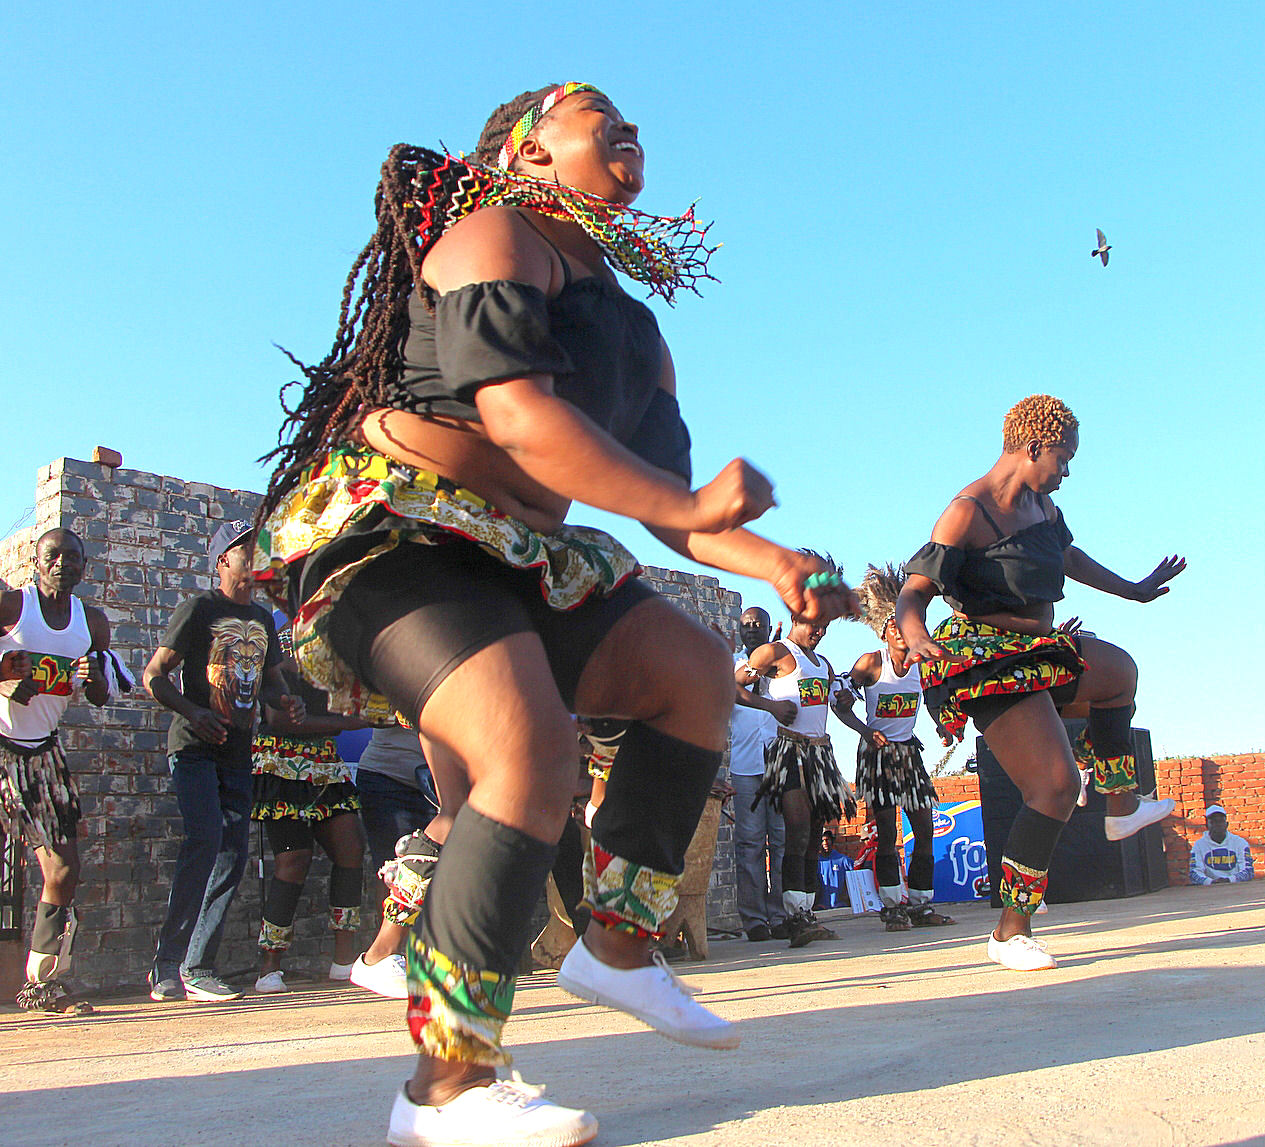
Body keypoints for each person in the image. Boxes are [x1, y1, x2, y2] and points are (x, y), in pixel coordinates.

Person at [253, 83, 856, 1147]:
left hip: (522, 556)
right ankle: (445, 1086)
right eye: (598, 118)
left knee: (693, 673)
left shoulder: (636, 328)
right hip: (398, 538)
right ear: (529, 154)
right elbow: (517, 417)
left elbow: (671, 499)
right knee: (526, 752)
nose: (628, 131)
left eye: (636, 123)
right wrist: (684, 503)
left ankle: (617, 945)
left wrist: (773, 561)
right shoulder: (494, 236)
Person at [897, 394, 1184, 971]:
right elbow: (915, 588)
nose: (1067, 472)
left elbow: (1069, 557)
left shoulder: (1042, 508)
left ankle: (1119, 805)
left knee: (1117, 673)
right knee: (1051, 788)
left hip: (1039, 650)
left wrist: (1132, 588)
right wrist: (915, 632)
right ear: (1034, 448)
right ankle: (1010, 930)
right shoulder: (969, 512)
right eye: (1064, 458)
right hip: (989, 660)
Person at [143, 520, 305, 1003]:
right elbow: (155, 675)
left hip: (239, 751)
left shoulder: (261, 619)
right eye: (242, 551)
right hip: (194, 745)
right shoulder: (200, 609)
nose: (253, 559)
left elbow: (273, 682)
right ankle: (166, 965)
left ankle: (198, 967)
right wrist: (193, 710)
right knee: (204, 841)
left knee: (233, 857)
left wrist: (287, 702)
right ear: (222, 562)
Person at [0, 527, 122, 1013]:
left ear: (83, 566)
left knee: (64, 868)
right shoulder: (13, 608)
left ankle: (42, 982)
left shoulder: (91, 624)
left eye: (73, 557)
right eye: (54, 555)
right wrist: (6, 677)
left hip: (42, 756)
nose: (63, 564)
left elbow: (100, 696)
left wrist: (93, 680)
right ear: (36, 559)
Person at [833, 563, 954, 930]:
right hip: (878, 756)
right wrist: (865, 730)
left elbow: (933, 698)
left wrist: (941, 725)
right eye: (893, 627)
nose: (901, 632)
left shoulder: (922, 665)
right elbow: (840, 701)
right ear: (885, 632)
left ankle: (920, 903)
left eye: (906, 625)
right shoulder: (872, 663)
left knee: (924, 828)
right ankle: (891, 907)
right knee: (886, 833)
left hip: (908, 753)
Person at [249, 631, 370, 994]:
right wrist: (351, 723)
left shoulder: (332, 667)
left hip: (324, 763)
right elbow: (283, 721)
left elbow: (352, 708)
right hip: (280, 763)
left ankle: (343, 960)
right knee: (294, 860)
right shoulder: (275, 665)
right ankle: (269, 965)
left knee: (351, 849)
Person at [744, 611, 853, 948]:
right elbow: (731, 687)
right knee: (797, 829)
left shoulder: (823, 663)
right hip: (789, 753)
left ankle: (805, 912)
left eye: (825, 627)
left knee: (812, 836)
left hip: (820, 756)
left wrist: (855, 714)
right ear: (795, 617)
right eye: (814, 625)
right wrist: (770, 707)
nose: (819, 632)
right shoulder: (774, 652)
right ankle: (793, 917)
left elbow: (838, 707)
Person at [351, 721, 440, 998]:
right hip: (389, 779)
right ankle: (384, 955)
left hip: (440, 779)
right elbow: (367, 711)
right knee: (396, 869)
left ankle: (416, 957)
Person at [728, 607, 790, 941]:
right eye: (746, 625)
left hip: (779, 762)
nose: (752, 629)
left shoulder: (783, 662)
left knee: (781, 841)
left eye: (758, 625)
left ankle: (780, 915)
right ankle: (754, 920)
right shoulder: (731, 664)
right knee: (750, 843)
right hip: (745, 765)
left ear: (768, 629)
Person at [1187, 804, 1254, 884]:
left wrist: (1229, 880)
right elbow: (1194, 873)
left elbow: (1248, 871)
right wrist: (1210, 882)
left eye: (1221, 821)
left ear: (1227, 824)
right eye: (1213, 822)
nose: (1217, 825)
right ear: (1207, 826)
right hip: (1209, 890)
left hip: (1236, 886)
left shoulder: (1240, 843)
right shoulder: (1199, 845)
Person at [816, 829, 853, 908]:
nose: (825, 843)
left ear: (832, 841)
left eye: (827, 840)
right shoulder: (816, 862)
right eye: (822, 840)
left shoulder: (843, 860)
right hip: (821, 907)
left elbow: (857, 877)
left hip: (840, 906)